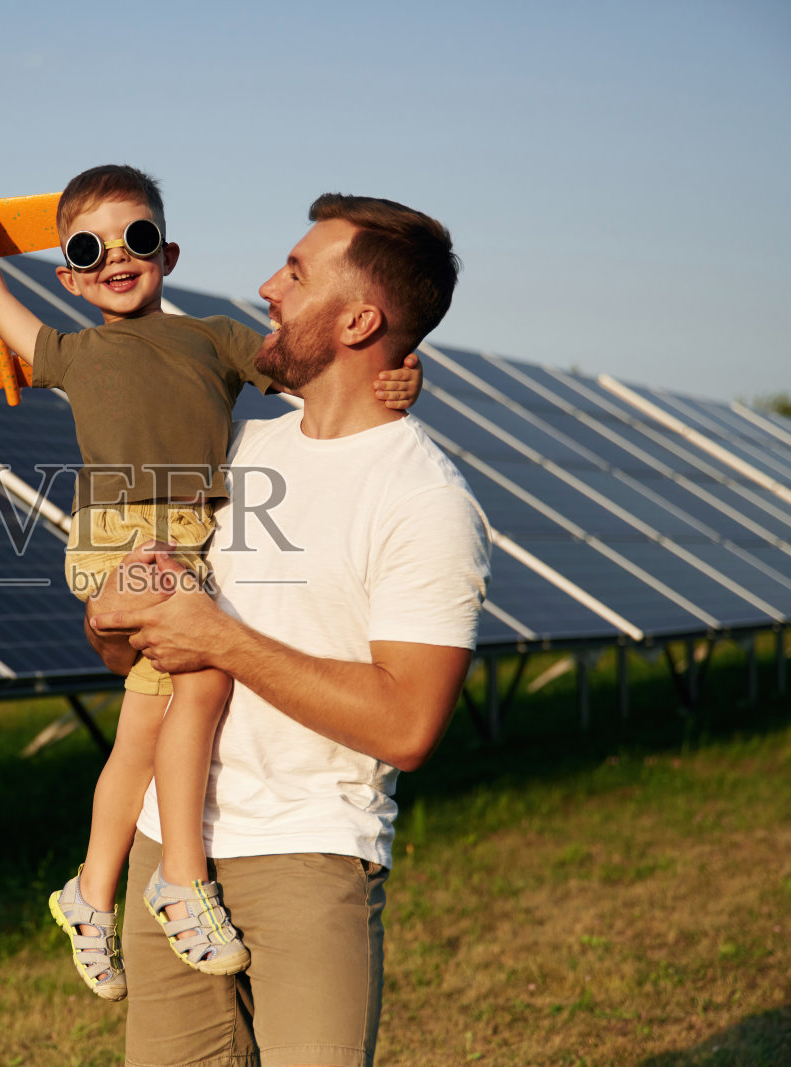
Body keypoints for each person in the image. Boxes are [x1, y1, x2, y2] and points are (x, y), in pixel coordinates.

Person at [0, 168, 423, 1002]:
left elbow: (319, 372)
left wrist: (397, 377)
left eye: (135, 240)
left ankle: (94, 890)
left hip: (189, 542)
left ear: (166, 251)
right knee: (200, 681)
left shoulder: (215, 338)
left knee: (151, 719)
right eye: (88, 250)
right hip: (120, 539)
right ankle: (178, 879)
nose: (114, 261)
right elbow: (2, 310)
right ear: (68, 273)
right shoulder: (71, 350)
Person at [86, 193, 491, 1067]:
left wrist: (219, 640)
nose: (266, 287)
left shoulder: (425, 502)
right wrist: (117, 623)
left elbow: (409, 725)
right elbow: (137, 655)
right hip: (170, 851)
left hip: (308, 858)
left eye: (297, 274)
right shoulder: (234, 451)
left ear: (360, 320)